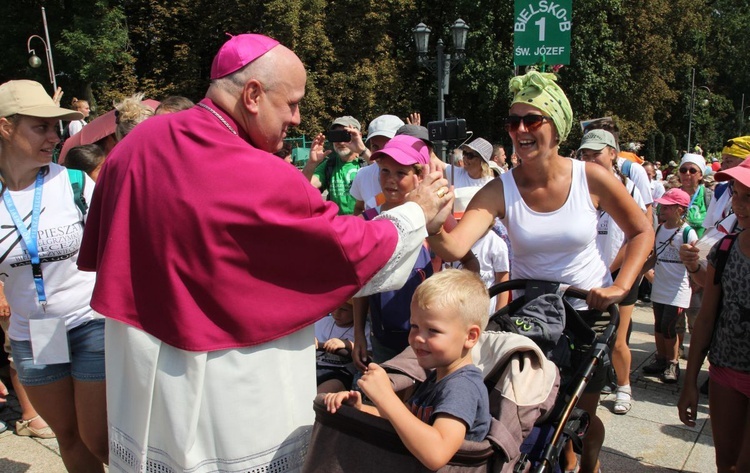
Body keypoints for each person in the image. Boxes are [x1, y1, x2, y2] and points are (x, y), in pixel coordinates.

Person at [77, 33, 453, 473]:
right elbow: (345, 254)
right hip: (228, 377)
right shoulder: (260, 172)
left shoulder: (135, 146)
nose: (297, 118)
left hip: (142, 366)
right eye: (291, 103)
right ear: (253, 94)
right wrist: (415, 214)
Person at [427, 71, 653, 473]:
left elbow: (641, 230)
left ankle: (589, 465)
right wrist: (431, 223)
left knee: (578, 412)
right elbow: (456, 247)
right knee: (531, 408)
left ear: (557, 126)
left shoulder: (591, 177)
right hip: (532, 316)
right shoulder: (502, 188)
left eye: (532, 120)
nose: (520, 130)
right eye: (513, 122)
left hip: (588, 311)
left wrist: (620, 286)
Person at [0, 80, 106, 471]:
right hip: (34, 335)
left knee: (101, 438)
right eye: (40, 126)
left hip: (90, 325)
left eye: (55, 126)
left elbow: (116, 245)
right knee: (71, 437)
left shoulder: (74, 184)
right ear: (5, 127)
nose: (54, 136)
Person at [325, 269, 491, 471]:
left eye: (433, 330)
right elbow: (404, 421)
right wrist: (361, 409)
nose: (418, 338)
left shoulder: (462, 388)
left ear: (471, 336)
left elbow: (437, 453)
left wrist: (386, 396)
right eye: (414, 326)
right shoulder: (435, 378)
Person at [678, 158, 750, 473]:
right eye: (735, 193)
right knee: (726, 462)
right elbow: (706, 317)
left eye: (749, 197)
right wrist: (690, 381)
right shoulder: (725, 248)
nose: (739, 204)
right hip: (725, 372)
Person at [577, 128, 646, 415]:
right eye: (585, 154)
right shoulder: (578, 186)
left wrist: (614, 268)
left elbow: (639, 234)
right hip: (589, 277)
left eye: (597, 153)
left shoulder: (628, 188)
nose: (591, 159)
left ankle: (624, 386)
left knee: (618, 339)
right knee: (588, 340)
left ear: (613, 154)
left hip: (619, 276)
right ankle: (596, 383)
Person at [353, 135, 435, 367]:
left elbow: (463, 258)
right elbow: (361, 286)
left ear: (420, 176)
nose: (390, 180)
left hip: (429, 336)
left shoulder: (435, 218)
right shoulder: (368, 220)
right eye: (384, 171)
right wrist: (360, 333)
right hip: (384, 337)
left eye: (401, 173)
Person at [640, 188, 698, 383]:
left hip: (677, 289)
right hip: (661, 286)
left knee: (669, 326)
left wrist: (696, 282)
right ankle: (661, 359)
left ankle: (673, 363)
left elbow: (697, 259)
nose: (661, 209)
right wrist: (639, 272)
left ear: (680, 210)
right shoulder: (661, 228)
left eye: (667, 206)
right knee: (658, 325)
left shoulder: (688, 232)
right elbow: (655, 255)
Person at [303, 115, 369, 215]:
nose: (340, 142)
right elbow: (303, 187)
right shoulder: (329, 165)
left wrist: (363, 151)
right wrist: (312, 163)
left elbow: (382, 171)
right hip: (338, 226)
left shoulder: (367, 164)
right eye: (336, 136)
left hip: (364, 225)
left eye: (346, 136)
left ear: (358, 136)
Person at [349, 114, 405, 215]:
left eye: (389, 145)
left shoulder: (417, 177)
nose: (382, 153)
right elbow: (359, 207)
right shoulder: (362, 175)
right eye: (375, 146)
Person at [315, 300, 370, 394]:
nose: (337, 313)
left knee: (320, 396)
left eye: (344, 310)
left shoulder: (366, 330)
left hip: (341, 373)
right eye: (334, 307)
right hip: (316, 367)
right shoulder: (321, 322)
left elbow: (370, 358)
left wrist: (349, 345)